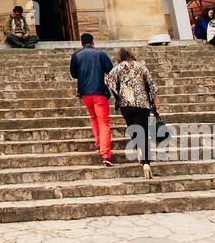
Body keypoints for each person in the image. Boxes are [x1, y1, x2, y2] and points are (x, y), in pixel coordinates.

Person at [105, 47, 161, 179]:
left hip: (126, 104)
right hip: (142, 104)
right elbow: (151, 85)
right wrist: (155, 101)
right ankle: (146, 162)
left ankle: (140, 152)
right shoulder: (141, 67)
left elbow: (110, 82)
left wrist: (118, 96)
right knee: (143, 131)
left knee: (133, 129)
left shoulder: (118, 68)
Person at [69, 33, 114, 165]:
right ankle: (105, 154)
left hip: (84, 93)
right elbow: (111, 71)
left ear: (81, 43)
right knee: (104, 123)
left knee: (94, 118)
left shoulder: (76, 55)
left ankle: (99, 143)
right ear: (93, 42)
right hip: (99, 91)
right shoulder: (101, 54)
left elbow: (74, 74)